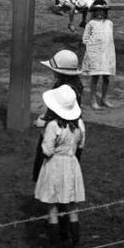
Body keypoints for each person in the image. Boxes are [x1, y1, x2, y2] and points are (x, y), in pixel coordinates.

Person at [34, 85, 86, 248]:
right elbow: (80, 145)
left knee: (52, 208)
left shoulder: (53, 126)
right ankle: (74, 245)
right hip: (71, 165)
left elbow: (47, 151)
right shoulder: (79, 124)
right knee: (72, 207)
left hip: (55, 165)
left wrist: (42, 132)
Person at [34, 50, 84, 182]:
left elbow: (63, 115)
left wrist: (44, 123)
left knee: (52, 168)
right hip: (69, 129)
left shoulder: (66, 89)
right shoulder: (74, 84)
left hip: (61, 131)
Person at [82, 0, 116, 110]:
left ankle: (104, 98)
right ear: (94, 12)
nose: (99, 13)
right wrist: (92, 50)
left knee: (106, 77)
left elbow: (110, 39)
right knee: (95, 77)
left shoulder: (109, 23)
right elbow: (85, 39)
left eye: (101, 11)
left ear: (105, 12)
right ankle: (93, 100)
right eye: (97, 11)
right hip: (95, 55)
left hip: (107, 54)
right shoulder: (91, 24)